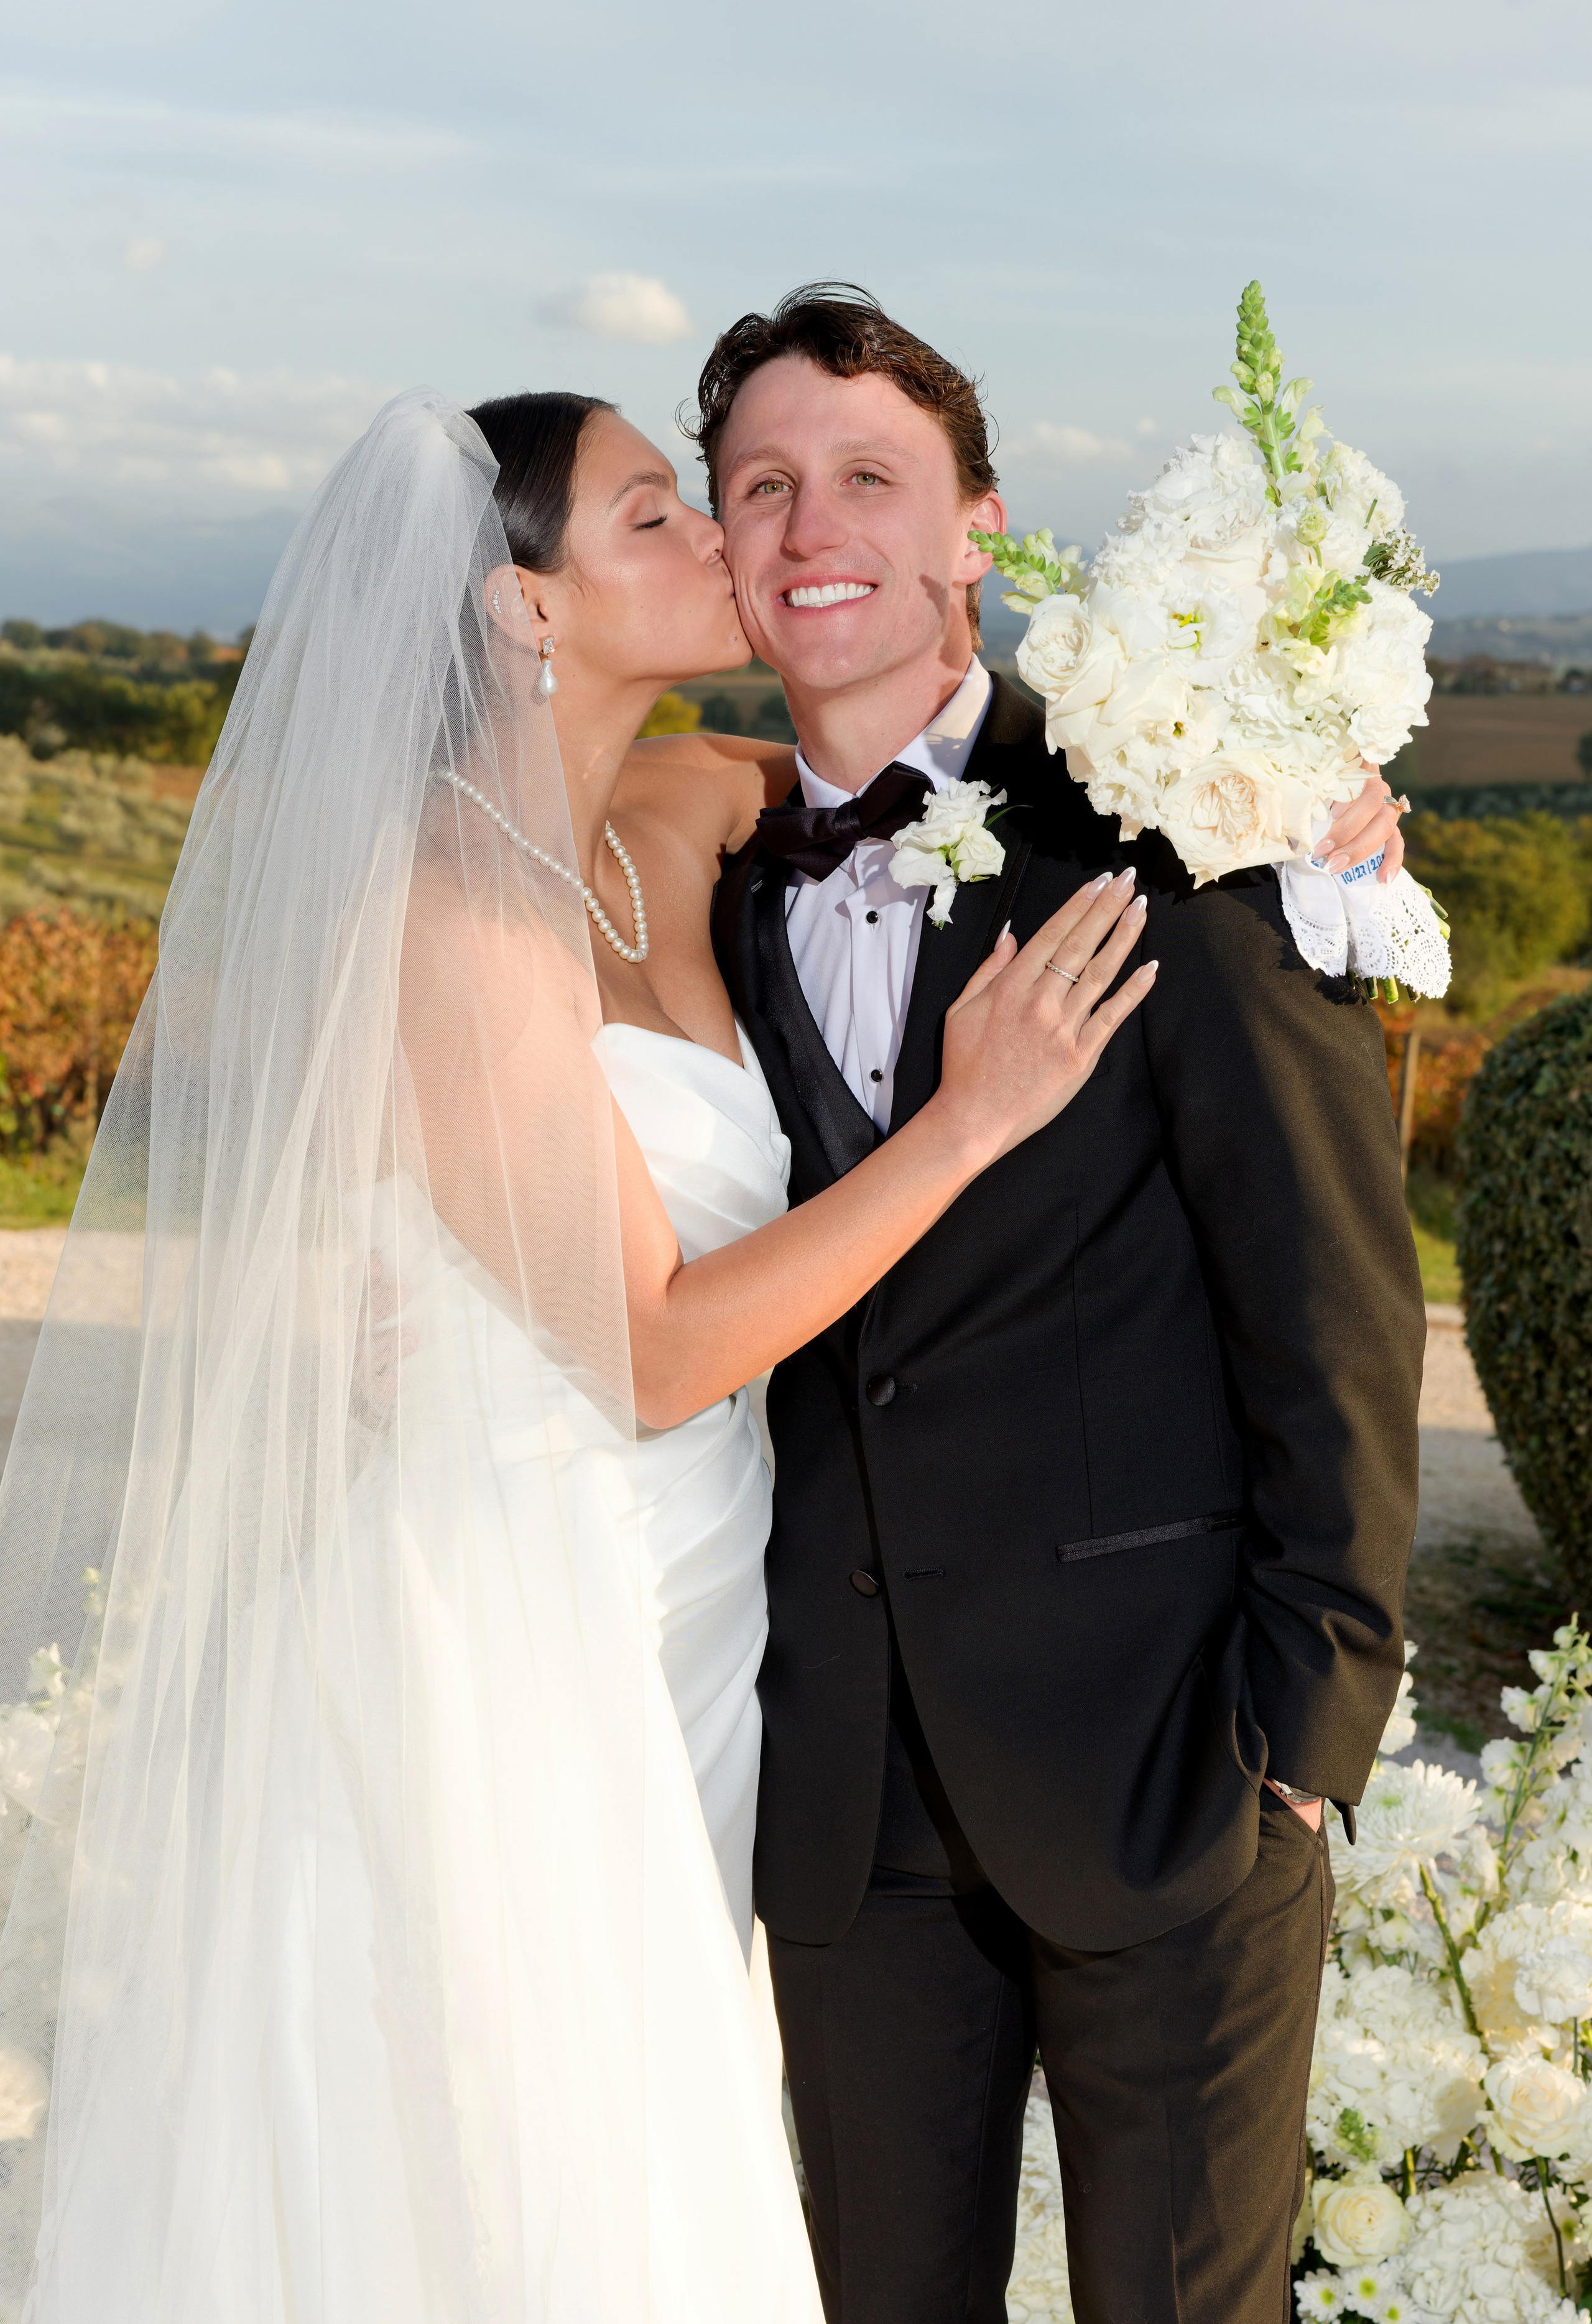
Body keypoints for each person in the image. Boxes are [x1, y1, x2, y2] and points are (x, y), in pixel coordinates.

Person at [0, 387, 1153, 2323]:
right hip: (508, 1613)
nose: (721, 537)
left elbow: (947, 769)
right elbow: (647, 1352)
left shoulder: (690, 804)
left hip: (696, 1606)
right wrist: (972, 1122)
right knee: (525, 2168)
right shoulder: (450, 916)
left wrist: (1305, 807)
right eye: (654, 516)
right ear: (525, 610)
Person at [631, 284, 1423, 2324]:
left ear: (978, 525)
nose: (817, 524)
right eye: (764, 486)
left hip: (1176, 1768)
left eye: (871, 477)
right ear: (722, 546)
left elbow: (1333, 1291)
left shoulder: (1185, 820)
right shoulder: (702, 883)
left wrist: (1307, 1731)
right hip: (847, 1803)